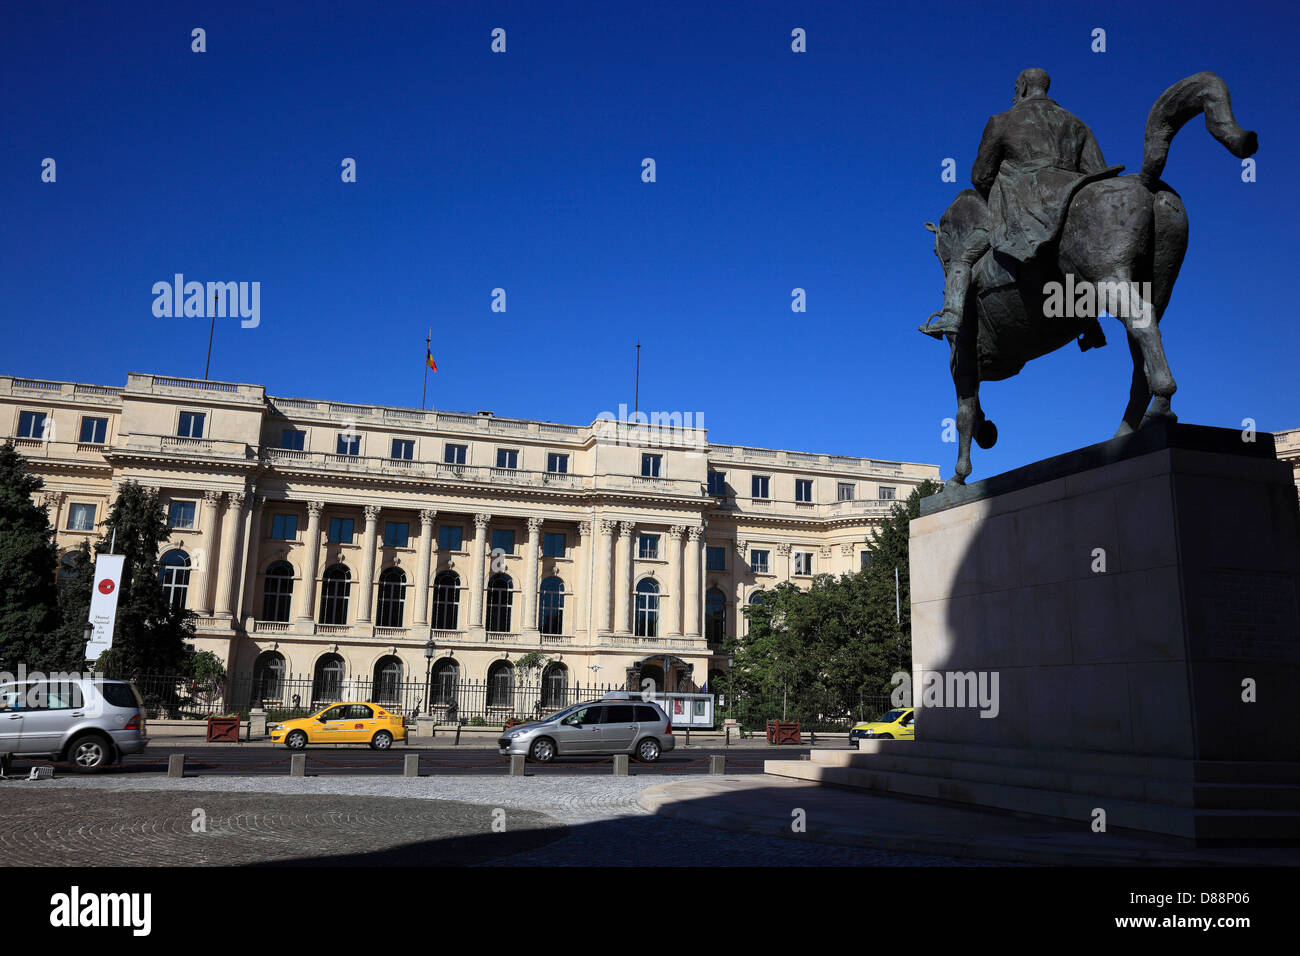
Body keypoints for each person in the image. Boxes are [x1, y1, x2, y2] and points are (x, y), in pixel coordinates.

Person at [920, 68, 1116, 338]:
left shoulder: (1002, 120)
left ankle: (951, 316)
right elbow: (1097, 176)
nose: (1013, 94)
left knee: (962, 258)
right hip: (1071, 203)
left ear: (1023, 87)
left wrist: (1003, 202)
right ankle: (1091, 323)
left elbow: (980, 176)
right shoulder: (1078, 125)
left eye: (1015, 88)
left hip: (1023, 207)